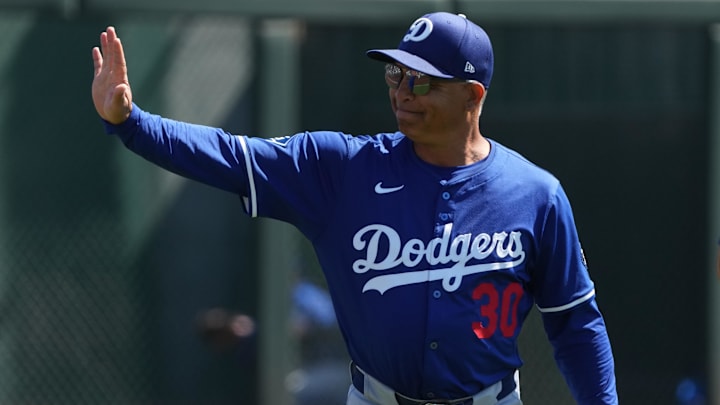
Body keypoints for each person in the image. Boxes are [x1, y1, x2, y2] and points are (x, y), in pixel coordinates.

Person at [92, 11, 618, 405]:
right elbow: (229, 155)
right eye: (395, 75)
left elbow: (576, 324)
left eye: (421, 81)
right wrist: (131, 122)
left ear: (472, 95)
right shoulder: (341, 168)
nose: (402, 92)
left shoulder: (536, 194)